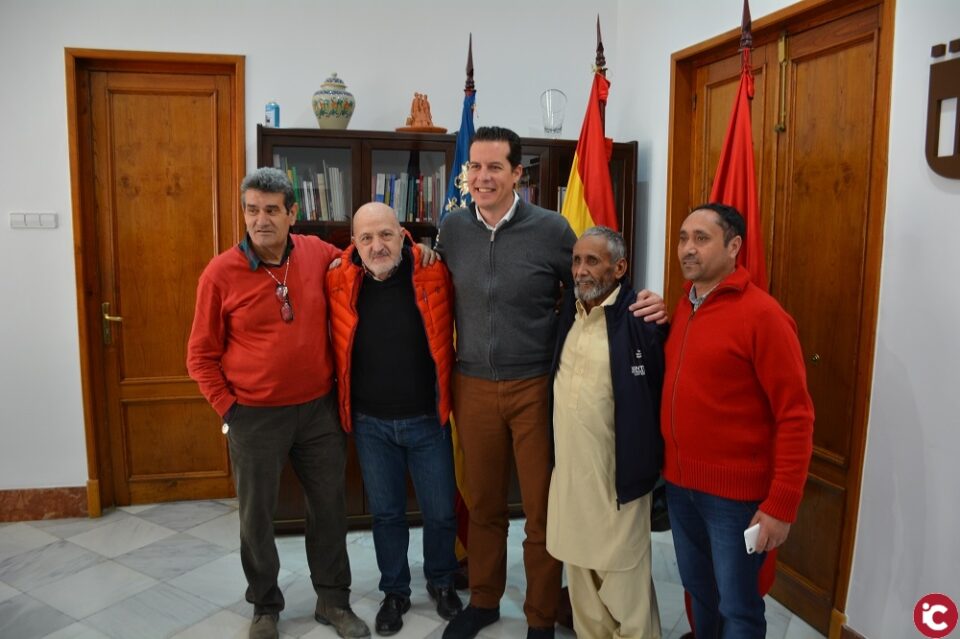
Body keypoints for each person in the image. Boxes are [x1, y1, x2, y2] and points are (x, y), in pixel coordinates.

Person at [436, 126, 666, 639]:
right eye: (475, 167)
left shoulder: (552, 229)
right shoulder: (451, 228)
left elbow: (594, 289)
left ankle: (540, 615)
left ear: (519, 174)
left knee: (543, 511)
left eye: (495, 167)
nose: (483, 177)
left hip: (537, 388)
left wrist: (646, 304)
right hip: (471, 384)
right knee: (484, 504)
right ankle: (484, 599)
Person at [186, 167, 370, 639]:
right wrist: (230, 411)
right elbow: (200, 356)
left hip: (318, 412)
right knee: (256, 517)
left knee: (329, 508)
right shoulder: (220, 273)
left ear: (293, 213)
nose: (260, 220)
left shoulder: (316, 253)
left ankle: (333, 601)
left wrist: (414, 247)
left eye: (271, 210)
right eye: (252, 210)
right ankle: (265, 605)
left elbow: (367, 251)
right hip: (253, 416)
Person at [662, 203, 814, 638]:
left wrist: (780, 506)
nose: (688, 249)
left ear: (734, 247)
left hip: (734, 500)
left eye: (701, 238)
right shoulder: (686, 307)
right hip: (680, 488)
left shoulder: (763, 316)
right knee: (698, 592)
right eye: (683, 237)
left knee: (739, 607)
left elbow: (796, 416)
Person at [326, 202, 463, 636]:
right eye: (365, 238)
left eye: (385, 234)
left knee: (441, 512)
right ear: (354, 243)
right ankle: (395, 591)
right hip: (371, 424)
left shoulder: (432, 272)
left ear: (402, 235)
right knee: (386, 515)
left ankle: (441, 581)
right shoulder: (337, 278)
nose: (376, 245)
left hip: (427, 418)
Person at [546, 226, 664, 639]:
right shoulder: (569, 314)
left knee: (625, 584)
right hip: (570, 480)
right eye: (576, 260)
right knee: (581, 584)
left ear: (620, 267)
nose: (580, 270)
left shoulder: (642, 320)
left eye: (592, 261)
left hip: (619, 482)